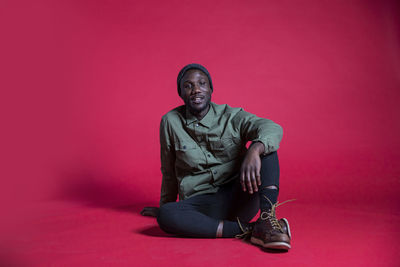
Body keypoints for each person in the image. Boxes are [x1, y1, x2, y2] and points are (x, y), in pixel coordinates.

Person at [141, 63, 292, 250]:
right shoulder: (170, 122)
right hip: (204, 204)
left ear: (211, 88)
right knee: (165, 216)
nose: (196, 90)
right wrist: (168, 206)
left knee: (265, 146)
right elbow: (169, 171)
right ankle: (252, 229)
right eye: (188, 86)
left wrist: (255, 149)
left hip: (242, 194)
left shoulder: (232, 116)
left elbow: (271, 128)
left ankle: (267, 218)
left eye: (202, 83)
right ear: (180, 93)